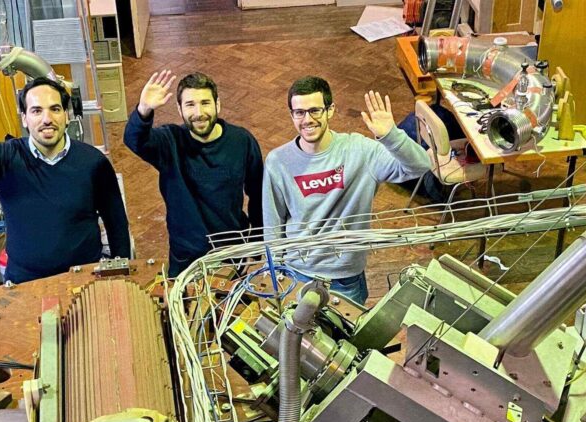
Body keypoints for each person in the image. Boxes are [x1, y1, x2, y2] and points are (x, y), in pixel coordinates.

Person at [0, 60, 131, 283]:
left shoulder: (93, 162)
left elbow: (116, 224)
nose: (47, 119)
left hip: (85, 280)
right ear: (25, 119)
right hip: (25, 283)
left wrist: (120, 276)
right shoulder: (5, 159)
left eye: (55, 109)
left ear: (67, 116)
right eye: (36, 111)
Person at [262, 77, 430, 304]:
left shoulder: (360, 151)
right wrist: (273, 271)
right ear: (291, 114)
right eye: (299, 112)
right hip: (297, 273)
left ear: (331, 110)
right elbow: (273, 224)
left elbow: (420, 166)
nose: (307, 120)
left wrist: (391, 135)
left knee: (345, 339)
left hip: (345, 279)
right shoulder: (278, 161)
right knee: (295, 340)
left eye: (315, 110)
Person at [124, 70, 264, 277]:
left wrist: (257, 242)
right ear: (179, 110)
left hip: (232, 251)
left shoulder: (242, 141)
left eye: (205, 103)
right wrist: (143, 110)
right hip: (186, 256)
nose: (199, 113)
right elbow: (134, 140)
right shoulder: (169, 141)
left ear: (218, 105)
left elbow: (258, 192)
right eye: (190, 105)